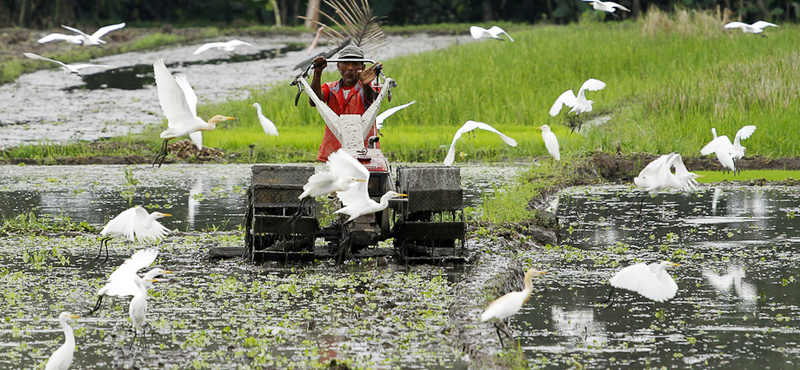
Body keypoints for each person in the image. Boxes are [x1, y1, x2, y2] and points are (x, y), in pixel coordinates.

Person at [309, 44, 385, 162]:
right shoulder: (330, 88)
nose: (350, 68)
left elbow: (372, 99)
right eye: (346, 63)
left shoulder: (369, 88)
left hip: (364, 152)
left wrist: (365, 84)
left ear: (363, 67)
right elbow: (314, 101)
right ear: (339, 66)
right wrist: (317, 73)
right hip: (333, 151)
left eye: (355, 64)